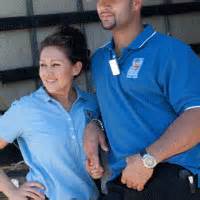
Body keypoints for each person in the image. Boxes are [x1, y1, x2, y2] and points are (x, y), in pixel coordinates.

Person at [84, 0, 200, 199]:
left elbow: (196, 114)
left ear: (136, 3)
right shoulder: (99, 60)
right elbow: (117, 106)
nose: (103, 5)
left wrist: (148, 159)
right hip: (123, 179)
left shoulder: (172, 52)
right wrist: (95, 124)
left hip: (170, 176)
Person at [0, 26, 99, 200]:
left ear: (76, 68)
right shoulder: (25, 109)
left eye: (55, 65)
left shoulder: (92, 104)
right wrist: (11, 191)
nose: (47, 73)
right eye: (43, 65)